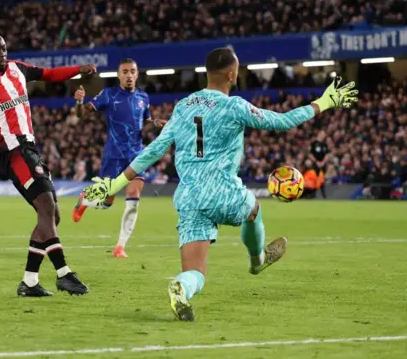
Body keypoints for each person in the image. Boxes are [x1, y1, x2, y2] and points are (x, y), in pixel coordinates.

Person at [80, 47, 358, 321]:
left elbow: (153, 151)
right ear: (231, 74)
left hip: (188, 198)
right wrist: (324, 102)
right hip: (223, 191)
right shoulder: (234, 106)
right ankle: (257, 261)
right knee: (253, 209)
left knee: (196, 273)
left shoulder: (183, 106)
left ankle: (181, 287)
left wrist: (114, 184)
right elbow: (283, 121)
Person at [0, 33, 97, 297]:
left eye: (4, 49)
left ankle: (29, 282)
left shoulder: (19, 69)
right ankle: (64, 274)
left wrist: (78, 69)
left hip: (30, 148)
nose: (2, 54)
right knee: (47, 207)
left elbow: (50, 74)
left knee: (52, 216)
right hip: (11, 151)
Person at [72, 58, 166, 258]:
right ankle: (85, 201)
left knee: (134, 200)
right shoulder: (109, 94)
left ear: (137, 74)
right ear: (119, 75)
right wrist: (79, 101)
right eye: (125, 71)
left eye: (132, 71)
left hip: (137, 155)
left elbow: (145, 123)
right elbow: (81, 114)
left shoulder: (143, 97)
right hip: (114, 156)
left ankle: (120, 246)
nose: (129, 75)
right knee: (107, 202)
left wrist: (155, 123)